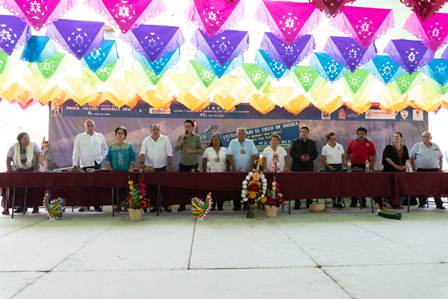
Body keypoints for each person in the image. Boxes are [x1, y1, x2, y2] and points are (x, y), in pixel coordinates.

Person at [72, 119, 108, 212]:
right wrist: (75, 164)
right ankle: (84, 205)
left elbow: (105, 149)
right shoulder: (79, 137)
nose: (90, 127)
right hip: (84, 164)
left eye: (91, 125)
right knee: (84, 185)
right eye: (88, 125)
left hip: (97, 163)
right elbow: (76, 151)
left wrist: (100, 158)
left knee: (97, 185)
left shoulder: (100, 136)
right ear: (85, 127)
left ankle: (97, 205)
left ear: (94, 126)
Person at [139, 123, 174, 212]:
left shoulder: (165, 139)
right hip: (150, 169)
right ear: (150, 130)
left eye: (157, 129)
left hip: (162, 167)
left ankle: (165, 205)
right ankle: (154, 206)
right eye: (153, 129)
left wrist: (170, 166)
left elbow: (169, 154)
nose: (155, 131)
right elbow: (142, 153)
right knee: (151, 188)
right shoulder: (146, 140)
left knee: (164, 187)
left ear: (160, 130)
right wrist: (142, 164)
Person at [4, 132, 42, 214]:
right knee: (19, 189)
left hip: (31, 170)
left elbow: (39, 156)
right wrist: (9, 170)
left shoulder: (34, 145)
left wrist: (37, 167)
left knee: (34, 188)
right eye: (25, 138)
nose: (27, 139)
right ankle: (20, 207)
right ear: (20, 140)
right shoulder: (14, 147)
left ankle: (35, 207)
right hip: (19, 170)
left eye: (28, 138)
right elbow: (8, 159)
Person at [410, 131, 444, 209]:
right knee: (421, 187)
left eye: (427, 136)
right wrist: (414, 169)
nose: (425, 138)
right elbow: (411, 158)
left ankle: (439, 204)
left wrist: (441, 169)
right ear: (422, 138)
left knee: (436, 187)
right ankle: (422, 203)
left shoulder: (436, 146)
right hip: (421, 170)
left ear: (431, 138)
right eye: (424, 136)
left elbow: (441, 157)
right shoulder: (417, 146)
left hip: (435, 170)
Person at [175, 120, 203, 212]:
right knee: (182, 186)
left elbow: (201, 150)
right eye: (185, 126)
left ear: (192, 127)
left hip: (193, 164)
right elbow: (176, 148)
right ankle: (182, 205)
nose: (187, 128)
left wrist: (193, 151)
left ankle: (195, 205)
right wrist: (182, 140)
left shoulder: (197, 137)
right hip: (183, 164)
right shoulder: (181, 136)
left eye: (189, 126)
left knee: (194, 186)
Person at [227, 127, 258, 211]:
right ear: (236, 134)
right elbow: (229, 155)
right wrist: (233, 167)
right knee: (235, 188)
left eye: (242, 133)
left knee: (248, 188)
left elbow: (254, 154)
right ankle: (236, 205)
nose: (241, 135)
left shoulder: (250, 142)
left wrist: (251, 166)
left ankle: (246, 205)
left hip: (248, 170)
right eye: (239, 133)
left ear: (245, 134)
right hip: (235, 170)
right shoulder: (232, 142)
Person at [346, 127, 376, 208]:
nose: (361, 135)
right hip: (353, 166)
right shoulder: (352, 143)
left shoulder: (370, 144)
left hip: (365, 166)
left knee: (363, 184)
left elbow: (373, 155)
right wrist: (346, 163)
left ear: (366, 134)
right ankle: (353, 202)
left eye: (363, 134)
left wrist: (371, 166)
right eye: (359, 134)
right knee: (353, 184)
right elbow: (347, 153)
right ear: (357, 134)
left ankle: (363, 202)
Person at [289, 126, 318, 209]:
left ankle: (309, 202)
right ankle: (297, 203)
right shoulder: (295, 142)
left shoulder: (312, 143)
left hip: (308, 167)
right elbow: (291, 153)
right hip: (297, 167)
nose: (303, 133)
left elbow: (315, 154)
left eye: (305, 131)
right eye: (302, 131)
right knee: (296, 185)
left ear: (308, 133)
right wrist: (300, 157)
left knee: (309, 185)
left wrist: (310, 158)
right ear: (300, 133)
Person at [381, 132, 409, 209]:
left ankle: (398, 203)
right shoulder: (389, 147)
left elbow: (407, 159)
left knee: (400, 187)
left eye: (397, 136)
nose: (395, 138)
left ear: (401, 138)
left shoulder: (404, 148)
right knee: (391, 187)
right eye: (394, 136)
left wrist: (404, 166)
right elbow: (386, 158)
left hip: (401, 172)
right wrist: (395, 166)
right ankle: (389, 202)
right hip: (390, 171)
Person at [202, 133, 228, 211]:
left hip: (222, 174)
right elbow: (204, 162)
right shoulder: (208, 150)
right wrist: (204, 172)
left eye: (217, 139)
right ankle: (212, 206)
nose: (216, 141)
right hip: (211, 175)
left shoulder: (225, 149)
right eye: (214, 139)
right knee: (211, 191)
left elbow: (228, 162)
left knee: (221, 191)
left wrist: (228, 171)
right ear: (212, 141)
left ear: (220, 141)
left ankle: (220, 206)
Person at [320, 132, 346, 209]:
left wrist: (344, 163)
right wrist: (329, 166)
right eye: (332, 139)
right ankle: (334, 202)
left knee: (340, 184)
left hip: (339, 166)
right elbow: (322, 159)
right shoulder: (325, 148)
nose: (334, 140)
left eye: (335, 139)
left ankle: (339, 201)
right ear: (328, 140)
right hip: (329, 167)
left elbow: (343, 156)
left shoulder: (340, 146)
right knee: (332, 185)